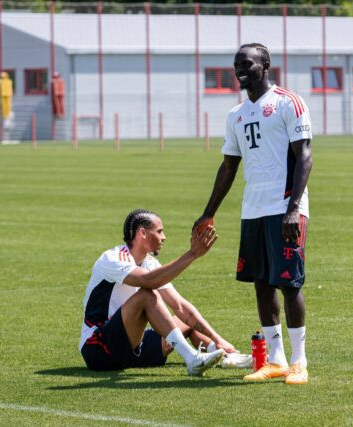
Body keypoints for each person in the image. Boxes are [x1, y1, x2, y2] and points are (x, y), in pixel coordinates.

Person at [193, 43, 313, 384]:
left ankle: (299, 361)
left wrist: (293, 209)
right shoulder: (236, 115)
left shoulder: (288, 102)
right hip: (253, 211)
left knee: (289, 283)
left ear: (265, 65)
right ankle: (274, 360)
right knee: (261, 283)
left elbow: (304, 155)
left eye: (246, 63)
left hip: (286, 209)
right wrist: (208, 213)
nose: (239, 70)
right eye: (235, 65)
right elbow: (228, 167)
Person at [80, 209, 250, 376]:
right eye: (159, 231)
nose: (164, 237)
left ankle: (227, 356)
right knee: (147, 295)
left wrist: (217, 339)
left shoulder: (150, 263)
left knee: (185, 322)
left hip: (132, 349)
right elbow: (149, 281)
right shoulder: (113, 258)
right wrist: (192, 254)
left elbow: (180, 306)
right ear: (142, 233)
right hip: (98, 349)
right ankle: (192, 359)